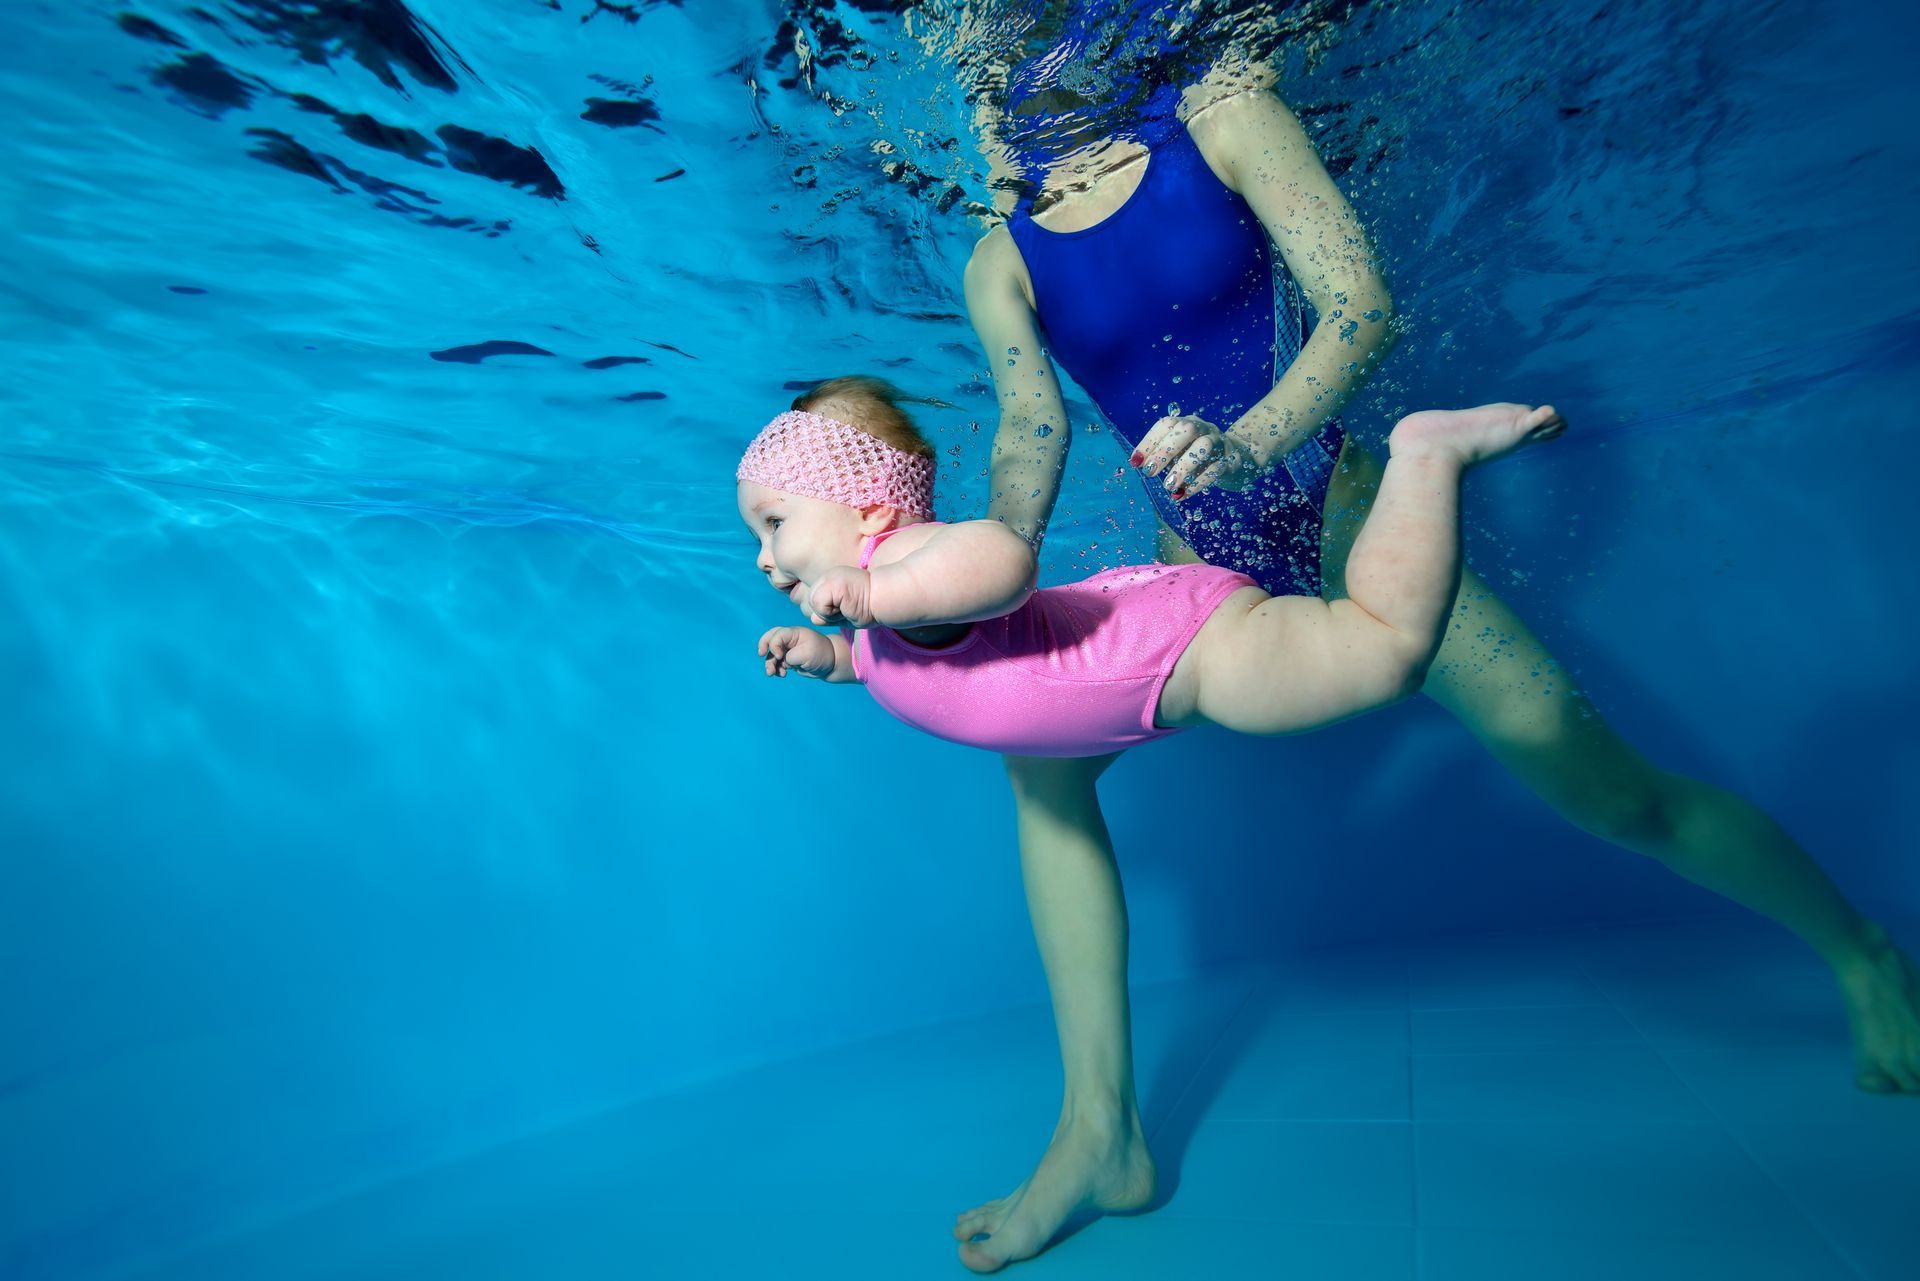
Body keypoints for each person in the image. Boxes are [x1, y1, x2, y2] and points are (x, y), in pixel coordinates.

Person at [951, 33, 1920, 1277]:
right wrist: (997, 568)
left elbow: (1361, 307)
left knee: (1612, 793)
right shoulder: (998, 262)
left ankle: (1860, 950)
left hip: (1347, 509)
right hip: (1199, 566)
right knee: (1041, 764)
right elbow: (1029, 428)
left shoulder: (1223, 112)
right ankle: (1101, 1134)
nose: (991, 93)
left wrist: (1248, 445)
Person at [741, 378, 1561, 759]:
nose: (765, 554)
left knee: (1386, 650)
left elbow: (1001, 560)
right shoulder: (882, 609)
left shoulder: (905, 559)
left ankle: (1426, 455)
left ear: (873, 509)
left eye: (776, 523)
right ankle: (1425, 459)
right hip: (1153, 648)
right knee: (1378, 651)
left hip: (1181, 650)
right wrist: (837, 658)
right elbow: (925, 659)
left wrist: (876, 592)